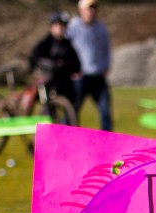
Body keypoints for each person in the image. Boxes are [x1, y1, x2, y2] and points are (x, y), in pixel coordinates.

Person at [66, 0, 113, 131]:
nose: (92, 11)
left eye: (94, 8)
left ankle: (107, 143)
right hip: (80, 77)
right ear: (81, 10)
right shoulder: (73, 27)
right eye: (89, 8)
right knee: (72, 111)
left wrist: (106, 66)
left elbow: (106, 50)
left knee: (105, 112)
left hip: (98, 76)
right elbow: (66, 48)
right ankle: (65, 139)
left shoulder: (101, 28)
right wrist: (71, 69)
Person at [29, 12, 81, 108]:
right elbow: (34, 59)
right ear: (52, 27)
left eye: (63, 25)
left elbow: (76, 63)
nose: (60, 28)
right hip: (47, 82)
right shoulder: (45, 43)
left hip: (63, 82)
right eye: (57, 25)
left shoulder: (68, 45)